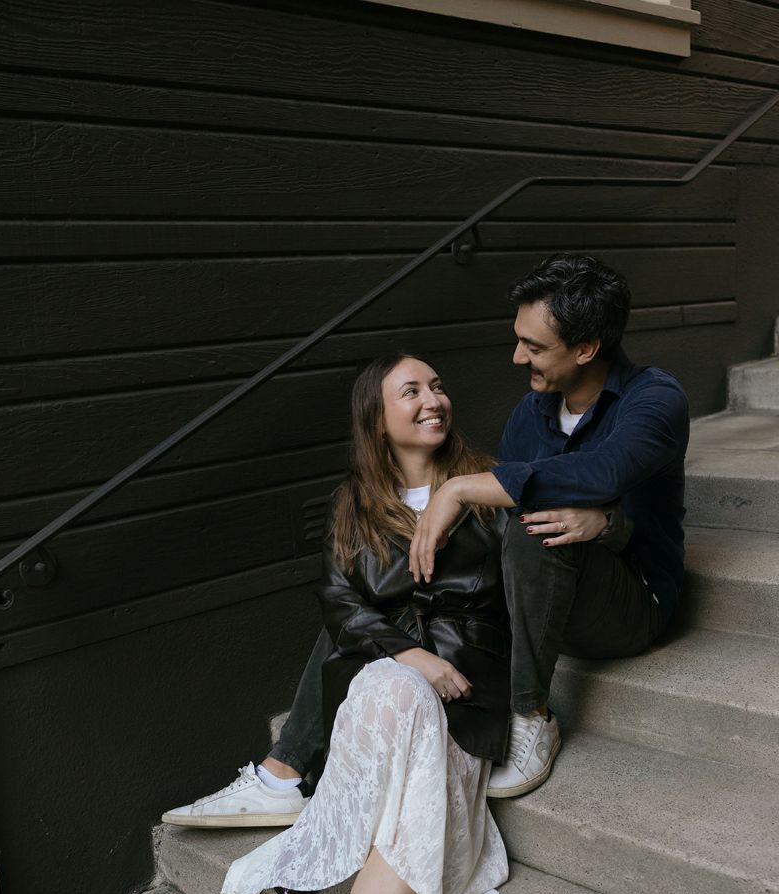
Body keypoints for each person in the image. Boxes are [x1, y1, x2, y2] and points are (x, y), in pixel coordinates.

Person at [162, 252, 688, 826]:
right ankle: (283, 774)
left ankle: (531, 715)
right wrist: (407, 646)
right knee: (379, 593)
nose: (517, 357)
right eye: (519, 339)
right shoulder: (529, 415)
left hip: (628, 600)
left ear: (586, 348)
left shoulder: (654, 398)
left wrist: (593, 521)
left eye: (533, 347)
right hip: (537, 603)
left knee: (532, 526)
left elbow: (606, 472)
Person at [218, 353, 512, 894]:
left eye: (439, 385)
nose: (433, 399)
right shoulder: (354, 501)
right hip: (397, 685)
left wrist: (439, 664)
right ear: (377, 419)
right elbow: (340, 602)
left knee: (397, 697)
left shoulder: (486, 483)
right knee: (389, 684)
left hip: (465, 695)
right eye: (409, 391)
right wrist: (410, 654)